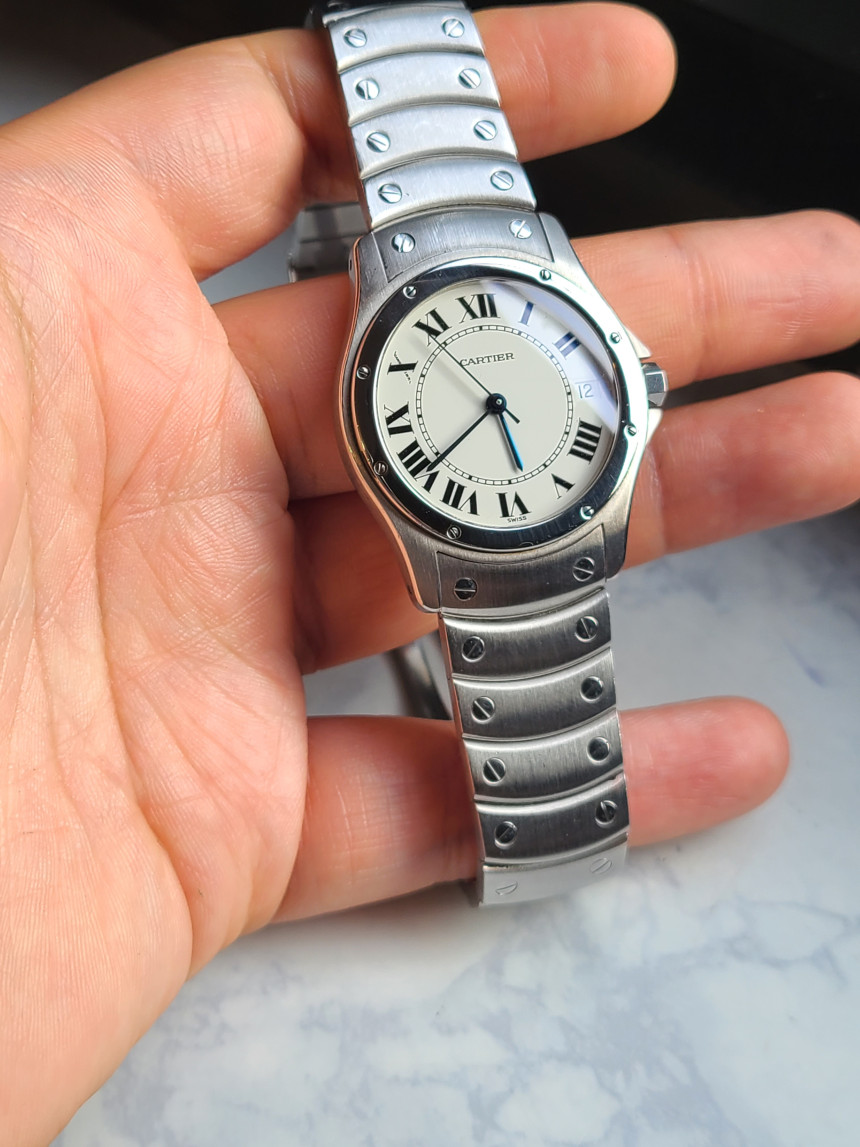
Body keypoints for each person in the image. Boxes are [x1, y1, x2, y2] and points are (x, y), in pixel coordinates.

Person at [0, 3, 858, 1142]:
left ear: (629, 377)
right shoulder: (386, 366)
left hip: (561, 505)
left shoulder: (578, 344)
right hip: (456, 534)